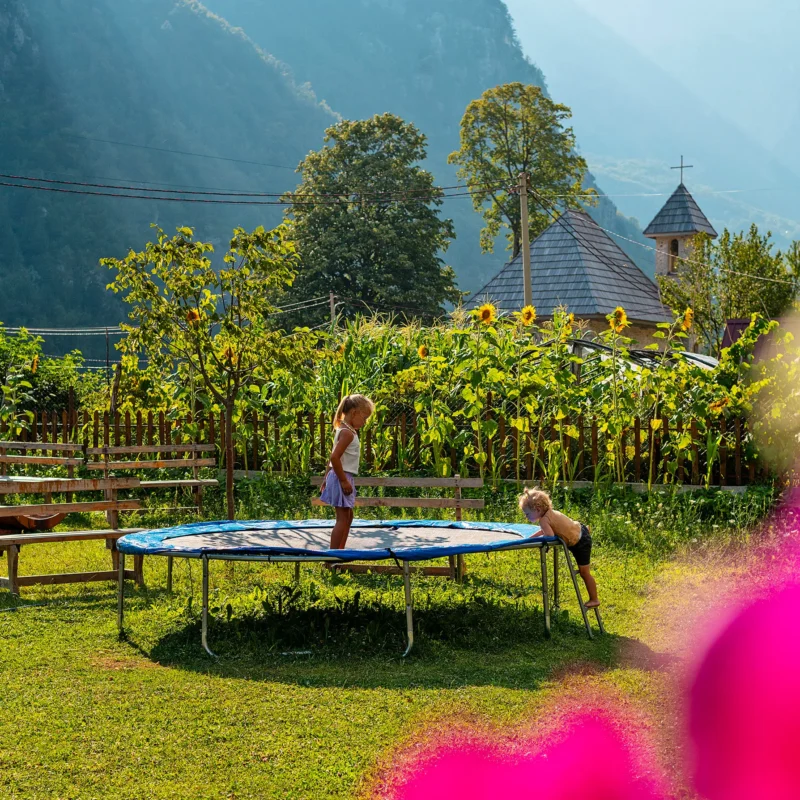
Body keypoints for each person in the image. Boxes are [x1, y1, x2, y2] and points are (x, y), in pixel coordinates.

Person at [518, 487, 600, 608]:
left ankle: (594, 599)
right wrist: (530, 538)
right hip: (580, 530)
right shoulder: (550, 513)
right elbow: (546, 531)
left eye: (527, 514)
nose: (526, 517)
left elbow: (550, 536)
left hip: (580, 542)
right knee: (584, 572)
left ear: (537, 509)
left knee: (584, 573)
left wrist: (542, 543)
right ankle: (594, 598)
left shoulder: (543, 521)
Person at [320, 393, 375, 549]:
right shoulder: (347, 433)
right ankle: (332, 558)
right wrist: (343, 480)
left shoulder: (345, 429)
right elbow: (335, 457)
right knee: (342, 519)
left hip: (340, 476)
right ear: (354, 413)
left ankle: (340, 552)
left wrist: (326, 477)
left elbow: (333, 458)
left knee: (348, 517)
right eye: (364, 418)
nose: (365, 422)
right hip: (341, 477)